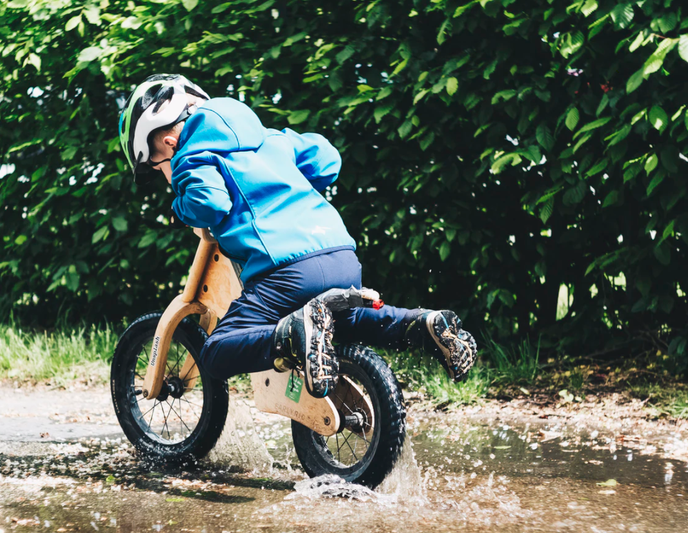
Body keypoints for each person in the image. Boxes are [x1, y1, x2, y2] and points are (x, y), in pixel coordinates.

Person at [118, 74, 477, 398]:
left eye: (155, 165)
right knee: (346, 323)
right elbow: (326, 160)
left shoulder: (191, 156)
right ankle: (420, 324)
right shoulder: (270, 139)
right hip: (340, 255)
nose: (163, 173)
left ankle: (291, 335)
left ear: (168, 141)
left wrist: (180, 207)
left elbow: (210, 203)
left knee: (216, 351)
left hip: (284, 270)